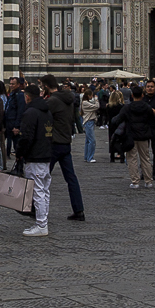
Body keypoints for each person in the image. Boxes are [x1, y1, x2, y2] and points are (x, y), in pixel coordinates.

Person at [45, 80, 88, 221]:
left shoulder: (53, 101)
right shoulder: (68, 99)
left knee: (42, 178)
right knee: (71, 178)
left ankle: (33, 207)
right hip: (65, 142)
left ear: (46, 86)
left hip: (54, 143)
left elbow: (41, 113)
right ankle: (79, 210)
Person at [16, 79, 55, 237]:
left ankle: (41, 225)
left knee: (38, 191)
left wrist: (20, 153)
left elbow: (27, 137)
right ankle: (42, 221)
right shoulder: (46, 111)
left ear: (27, 97)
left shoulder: (30, 112)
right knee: (44, 190)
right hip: (45, 154)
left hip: (35, 156)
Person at [112, 84, 155, 191]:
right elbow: (151, 119)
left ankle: (135, 181)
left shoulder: (127, 108)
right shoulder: (147, 107)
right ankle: (148, 181)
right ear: (142, 95)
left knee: (132, 158)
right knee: (145, 158)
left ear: (132, 95)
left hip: (131, 135)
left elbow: (117, 120)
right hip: (144, 135)